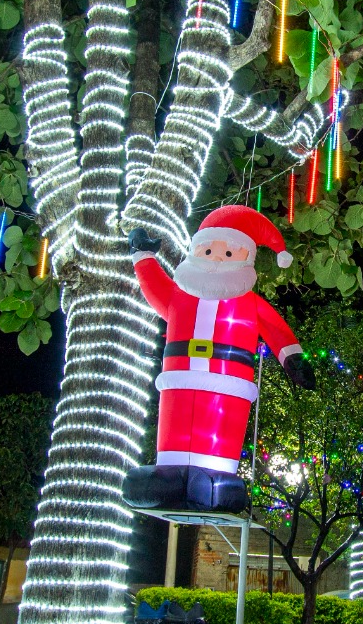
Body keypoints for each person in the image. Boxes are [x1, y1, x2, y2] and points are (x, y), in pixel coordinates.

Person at [125, 204, 315, 512]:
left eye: (229, 254)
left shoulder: (249, 303)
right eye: (209, 250)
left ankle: (216, 480)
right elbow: (154, 288)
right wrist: (142, 255)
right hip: (179, 377)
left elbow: (276, 330)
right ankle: (167, 476)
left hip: (229, 382)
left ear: (247, 258)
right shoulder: (179, 297)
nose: (216, 259)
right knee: (174, 428)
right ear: (196, 251)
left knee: (219, 432)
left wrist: (293, 360)